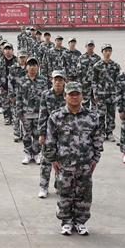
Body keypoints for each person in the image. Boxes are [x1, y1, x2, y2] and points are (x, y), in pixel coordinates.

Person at [45, 81, 103, 236]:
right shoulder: (56, 117)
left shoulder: (92, 117)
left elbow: (97, 139)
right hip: (65, 165)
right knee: (65, 194)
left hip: (85, 165)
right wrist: (53, 160)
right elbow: (50, 141)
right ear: (65, 96)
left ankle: (80, 222)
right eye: (71, 94)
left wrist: (96, 158)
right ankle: (66, 222)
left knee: (84, 195)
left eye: (77, 94)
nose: (74, 97)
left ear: (82, 96)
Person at [38, 70, 67, 198]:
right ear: (51, 80)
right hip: (49, 134)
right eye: (55, 79)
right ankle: (43, 187)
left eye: (60, 80)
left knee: (61, 161)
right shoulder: (46, 95)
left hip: (63, 135)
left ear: (64, 81)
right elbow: (42, 115)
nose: (57, 82)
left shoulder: (68, 95)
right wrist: (41, 133)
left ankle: (58, 186)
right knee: (46, 161)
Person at [17, 56, 48, 164]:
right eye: (29, 65)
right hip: (26, 113)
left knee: (37, 134)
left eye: (34, 65)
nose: (32, 67)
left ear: (37, 67)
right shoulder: (21, 81)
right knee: (26, 135)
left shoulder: (43, 81)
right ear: (26, 67)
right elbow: (19, 97)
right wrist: (19, 112)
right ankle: (27, 154)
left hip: (38, 113)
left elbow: (45, 98)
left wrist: (45, 113)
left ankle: (36, 154)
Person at [89, 43, 120, 141]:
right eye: (106, 51)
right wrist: (95, 93)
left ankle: (110, 132)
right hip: (101, 94)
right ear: (102, 52)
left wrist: (118, 93)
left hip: (111, 94)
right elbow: (94, 80)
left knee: (111, 114)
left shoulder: (115, 66)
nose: (107, 53)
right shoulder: (97, 66)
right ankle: (101, 132)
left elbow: (118, 81)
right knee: (101, 114)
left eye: (109, 51)